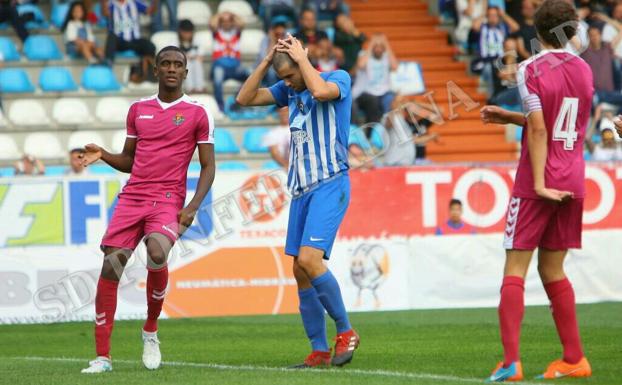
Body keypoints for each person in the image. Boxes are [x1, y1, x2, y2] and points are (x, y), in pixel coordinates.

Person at [79, 46, 216, 374]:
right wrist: (105, 155)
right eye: (165, 64)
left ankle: (151, 329)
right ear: (155, 70)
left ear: (185, 72)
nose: (171, 69)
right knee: (111, 268)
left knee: (157, 252)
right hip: (132, 198)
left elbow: (209, 166)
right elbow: (129, 161)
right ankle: (103, 357)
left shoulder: (197, 113)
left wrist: (193, 205)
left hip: (168, 199)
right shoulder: (138, 110)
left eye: (178, 65)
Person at [479, 0, 593, 381]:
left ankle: (511, 362)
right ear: (572, 31)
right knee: (552, 269)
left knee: (515, 269)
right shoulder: (584, 69)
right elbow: (568, 123)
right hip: (574, 178)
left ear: (537, 31)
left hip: (537, 182)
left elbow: (542, 128)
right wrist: (510, 117)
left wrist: (540, 182)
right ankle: (575, 358)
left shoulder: (530, 68)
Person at [236, 35, 360, 368]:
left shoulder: (337, 79)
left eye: (290, 75)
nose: (288, 83)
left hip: (330, 183)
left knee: (309, 258)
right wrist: (266, 61)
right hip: (301, 190)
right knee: (299, 270)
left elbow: (320, 92)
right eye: (285, 78)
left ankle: (346, 331)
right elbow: (244, 97)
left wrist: (302, 60)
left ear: (303, 61)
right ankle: (319, 351)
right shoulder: (289, 89)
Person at [352, 33, 398, 134]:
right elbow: (361, 65)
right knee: (373, 102)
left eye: (381, 46)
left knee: (393, 101)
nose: (378, 48)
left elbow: (395, 67)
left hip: (384, 93)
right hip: (364, 93)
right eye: (375, 46)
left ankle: (388, 132)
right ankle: (372, 135)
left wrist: (386, 44)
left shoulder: (386, 57)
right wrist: (371, 44)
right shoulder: (364, 55)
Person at [471, 6, 519, 97]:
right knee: (489, 68)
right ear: (487, 16)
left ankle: (511, 94)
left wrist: (503, 15)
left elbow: (516, 27)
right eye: (490, 15)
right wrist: (483, 15)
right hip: (486, 61)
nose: (493, 18)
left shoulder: (503, 27)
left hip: (501, 61)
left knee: (512, 44)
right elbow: (474, 27)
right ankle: (491, 97)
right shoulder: (482, 28)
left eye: (495, 15)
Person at [209, 11, 250, 111]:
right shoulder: (217, 32)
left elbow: (242, 23)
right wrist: (220, 15)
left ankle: (239, 99)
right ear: (220, 22)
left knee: (251, 75)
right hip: (220, 66)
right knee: (217, 80)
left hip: (235, 67)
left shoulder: (236, 32)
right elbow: (212, 23)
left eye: (229, 21)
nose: (226, 23)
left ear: (232, 22)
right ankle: (220, 105)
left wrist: (233, 15)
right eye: (224, 21)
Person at [101, 0, 157, 73]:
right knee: (111, 37)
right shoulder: (111, 4)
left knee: (150, 46)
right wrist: (103, 2)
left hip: (135, 40)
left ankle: (148, 71)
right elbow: (105, 13)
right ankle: (108, 65)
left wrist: (156, 2)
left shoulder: (134, 2)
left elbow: (150, 11)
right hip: (119, 41)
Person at [581, 24, 622, 111]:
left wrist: (603, 17)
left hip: (610, 93)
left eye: (596, 34)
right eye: (591, 35)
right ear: (588, 37)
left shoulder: (607, 47)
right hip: (594, 93)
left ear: (600, 35)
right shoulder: (584, 53)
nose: (594, 37)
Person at [255, 17, 288, 87]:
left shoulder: (287, 39)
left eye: (282, 27)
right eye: (277, 27)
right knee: (271, 72)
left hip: (281, 67)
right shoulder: (265, 40)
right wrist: (272, 40)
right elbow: (264, 58)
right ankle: (272, 95)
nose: (280, 30)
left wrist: (282, 40)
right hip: (265, 68)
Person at [177, 19, 205, 94]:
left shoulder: (197, 40)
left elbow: (200, 57)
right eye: (185, 32)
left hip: (194, 65)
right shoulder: (174, 42)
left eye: (189, 33)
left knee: (197, 63)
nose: (187, 35)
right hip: (179, 69)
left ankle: (199, 88)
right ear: (180, 31)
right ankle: (190, 89)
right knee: (187, 63)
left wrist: (191, 57)